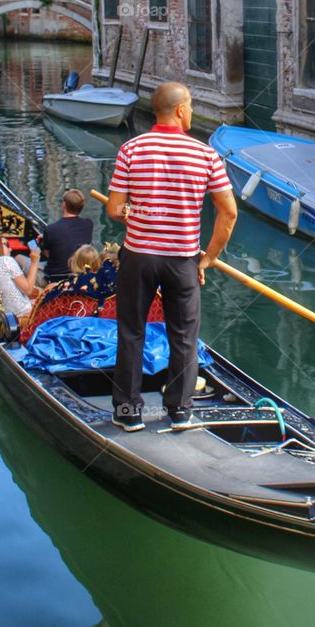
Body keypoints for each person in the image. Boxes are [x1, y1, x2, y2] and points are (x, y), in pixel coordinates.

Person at [106, 81, 238, 433]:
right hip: (182, 260)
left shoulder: (131, 150)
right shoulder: (206, 155)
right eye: (191, 106)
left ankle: (128, 412)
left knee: (132, 332)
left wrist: (142, 216)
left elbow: (115, 209)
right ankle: (180, 411)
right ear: (180, 110)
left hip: (138, 257)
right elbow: (229, 213)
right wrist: (207, 259)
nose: (192, 112)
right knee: (183, 335)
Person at [39, 188, 93, 282]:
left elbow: (49, 255)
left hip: (53, 278)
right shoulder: (88, 225)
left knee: (19, 258)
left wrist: (41, 242)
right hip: (78, 277)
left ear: (64, 205)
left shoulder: (51, 229)